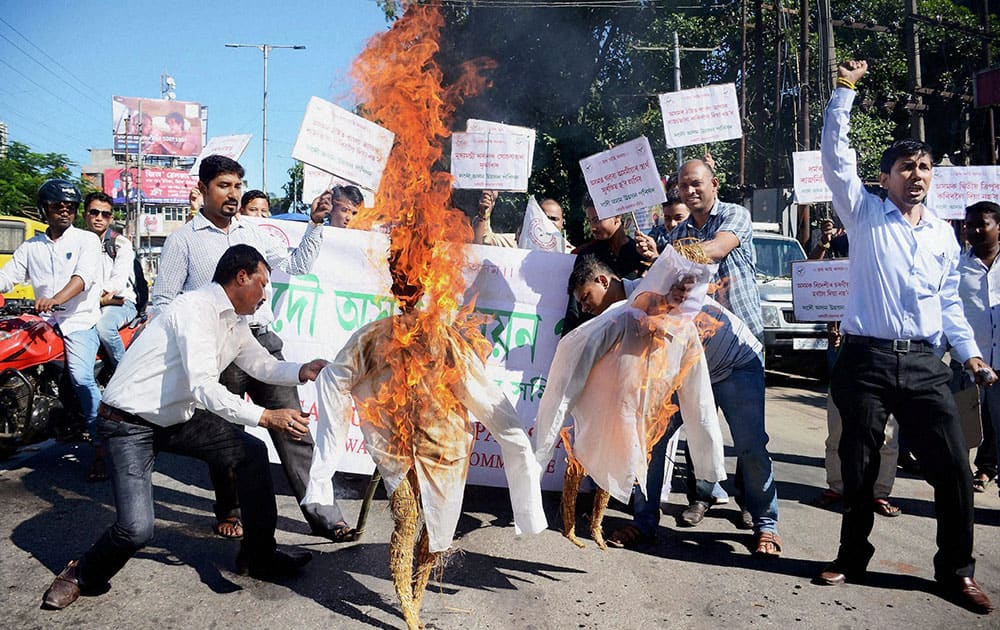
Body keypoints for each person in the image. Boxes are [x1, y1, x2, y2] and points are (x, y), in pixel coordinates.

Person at [40, 245, 325, 611]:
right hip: (128, 423)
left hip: (175, 419)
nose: (265, 294)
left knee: (250, 454)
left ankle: (260, 556)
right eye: (263, 283)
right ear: (241, 277)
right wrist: (266, 417)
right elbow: (203, 387)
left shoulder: (233, 322)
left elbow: (262, 365)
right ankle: (81, 574)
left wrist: (303, 370)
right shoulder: (194, 309)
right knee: (136, 530)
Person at [817, 59, 997, 615]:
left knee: (953, 472)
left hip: (925, 364)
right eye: (905, 167)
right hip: (865, 362)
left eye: (923, 167)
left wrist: (969, 356)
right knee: (861, 469)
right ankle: (851, 558)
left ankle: (956, 573)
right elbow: (833, 156)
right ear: (885, 177)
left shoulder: (945, 235)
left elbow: (948, 304)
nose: (917, 174)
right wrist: (846, 90)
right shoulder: (865, 214)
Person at [304, 247, 546, 629]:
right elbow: (337, 377)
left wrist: (516, 443)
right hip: (395, 444)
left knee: (437, 531)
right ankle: (407, 607)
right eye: (404, 281)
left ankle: (416, 593)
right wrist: (327, 459)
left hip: (443, 443)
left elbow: (482, 394)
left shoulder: (447, 339)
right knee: (406, 516)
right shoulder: (376, 336)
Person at [152, 154, 351, 543]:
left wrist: (314, 223)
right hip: (220, 348)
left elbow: (296, 265)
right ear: (203, 190)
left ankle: (323, 513)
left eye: (238, 186)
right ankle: (230, 509)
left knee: (293, 426)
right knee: (226, 434)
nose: (232, 194)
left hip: (261, 341)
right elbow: (161, 302)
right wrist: (197, 331)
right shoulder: (183, 241)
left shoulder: (254, 231)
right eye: (224, 186)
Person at [535, 250, 728, 547]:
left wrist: (708, 463)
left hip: (641, 413)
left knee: (633, 459)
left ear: (601, 281)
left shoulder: (681, 325)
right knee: (585, 459)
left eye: (586, 297)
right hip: (603, 411)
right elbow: (571, 372)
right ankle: (572, 523)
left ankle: (609, 523)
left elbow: (699, 399)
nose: (584, 308)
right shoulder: (615, 318)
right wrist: (544, 445)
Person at [0, 180, 104, 480]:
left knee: (82, 378)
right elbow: (8, 276)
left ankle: (100, 451)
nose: (65, 212)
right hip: (44, 322)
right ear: (45, 209)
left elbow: (82, 278)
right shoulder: (31, 246)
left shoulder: (86, 240)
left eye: (70, 207)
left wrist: (56, 300)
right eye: (58, 206)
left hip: (79, 320)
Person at [667, 159, 764, 340]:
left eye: (696, 184)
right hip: (702, 338)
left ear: (714, 184)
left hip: (744, 334)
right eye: (683, 186)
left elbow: (717, 248)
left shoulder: (735, 213)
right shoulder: (677, 235)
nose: (689, 191)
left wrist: (668, 256)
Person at [958, 201, 1000, 495]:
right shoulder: (956, 267)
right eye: (969, 224)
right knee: (964, 433)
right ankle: (957, 489)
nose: (974, 230)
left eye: (982, 224)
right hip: (969, 366)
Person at [82, 192, 138, 370]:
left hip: (120, 303)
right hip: (89, 303)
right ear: (85, 215)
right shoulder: (78, 243)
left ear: (111, 217)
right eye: (94, 212)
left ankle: (125, 376)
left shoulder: (120, 243)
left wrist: (94, 297)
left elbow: (117, 283)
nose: (99, 218)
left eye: (105, 214)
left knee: (104, 327)